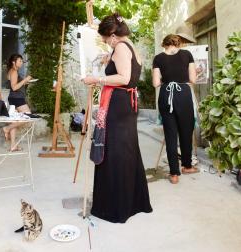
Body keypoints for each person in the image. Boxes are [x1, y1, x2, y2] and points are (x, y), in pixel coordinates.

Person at [82, 13, 152, 223]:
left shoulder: (121, 47)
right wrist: (109, 58)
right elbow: (127, 73)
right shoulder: (129, 46)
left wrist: (97, 78)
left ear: (113, 35)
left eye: (104, 38)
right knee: (126, 150)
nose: (104, 42)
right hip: (125, 104)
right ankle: (131, 201)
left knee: (114, 151)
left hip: (118, 104)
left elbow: (124, 77)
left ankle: (114, 206)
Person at [152, 27, 198, 185]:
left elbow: (156, 83)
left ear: (164, 45)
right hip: (183, 94)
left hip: (166, 94)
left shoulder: (158, 58)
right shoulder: (187, 54)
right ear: (178, 44)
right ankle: (187, 166)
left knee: (170, 135)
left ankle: (174, 174)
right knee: (186, 132)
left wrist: (168, 79)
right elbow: (193, 79)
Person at [3, 54, 32, 151]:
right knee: (28, 116)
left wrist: (24, 82)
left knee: (15, 120)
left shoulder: (11, 71)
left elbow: (15, 85)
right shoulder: (14, 71)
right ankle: (7, 128)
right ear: (13, 62)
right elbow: (14, 87)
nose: (21, 63)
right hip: (17, 98)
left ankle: (12, 146)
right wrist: (25, 80)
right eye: (19, 61)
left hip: (13, 98)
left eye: (22, 61)